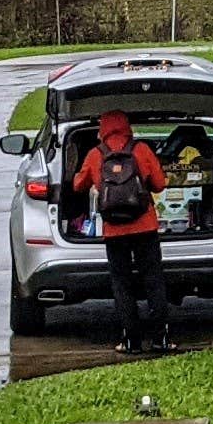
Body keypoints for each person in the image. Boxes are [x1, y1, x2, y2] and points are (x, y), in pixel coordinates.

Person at [77, 105, 174, 353]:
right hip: (145, 226)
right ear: (127, 126)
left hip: (114, 230)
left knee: (122, 284)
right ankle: (160, 339)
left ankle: (130, 341)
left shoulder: (95, 154)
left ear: (102, 128)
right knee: (153, 281)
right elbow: (160, 185)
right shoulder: (141, 150)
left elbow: (78, 185)